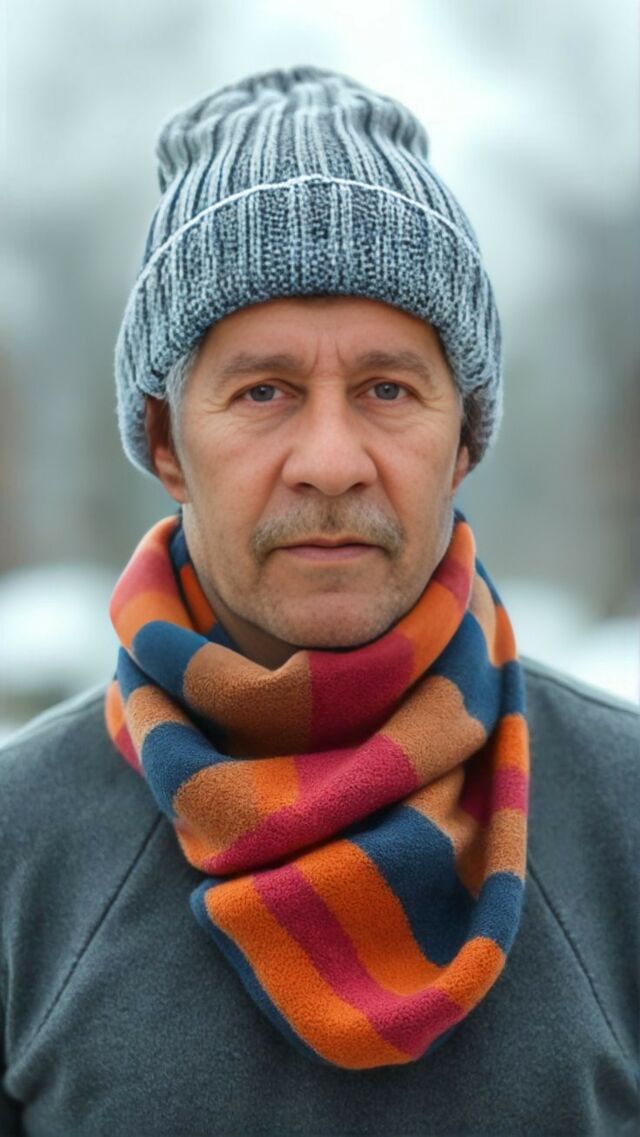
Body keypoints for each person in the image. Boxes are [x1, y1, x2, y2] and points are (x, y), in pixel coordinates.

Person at [0, 64, 637, 1137]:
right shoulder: (21, 848)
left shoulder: (625, 819)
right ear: (165, 441)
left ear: (465, 438)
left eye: (388, 389)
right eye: (265, 391)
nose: (331, 461)